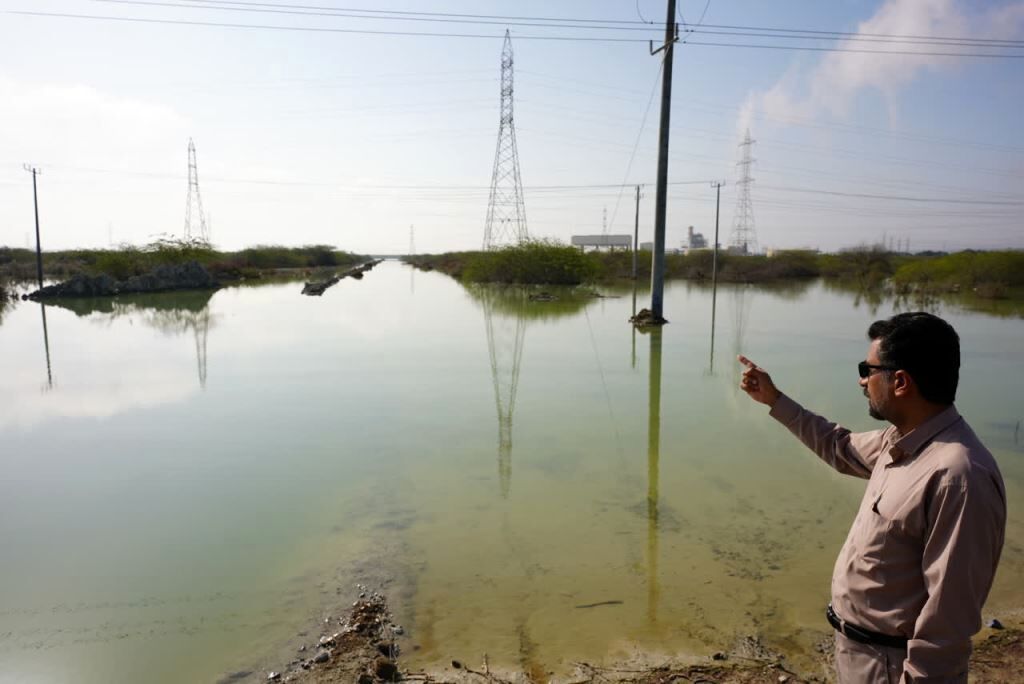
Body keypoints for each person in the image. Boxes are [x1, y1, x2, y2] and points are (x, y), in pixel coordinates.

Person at [737, 311, 1006, 683]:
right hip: (861, 654)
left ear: (900, 381)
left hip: (891, 667)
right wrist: (774, 399)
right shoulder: (899, 441)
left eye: (868, 369)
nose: (863, 381)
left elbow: (949, 619)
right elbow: (839, 445)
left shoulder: (958, 476)